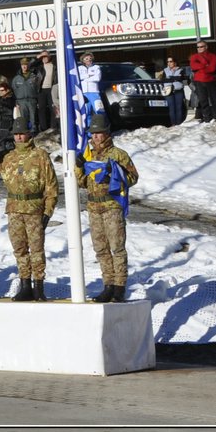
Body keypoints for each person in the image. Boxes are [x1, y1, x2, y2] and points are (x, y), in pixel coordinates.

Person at [76, 113, 139, 302]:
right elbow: (82, 183)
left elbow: (133, 177)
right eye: (93, 133)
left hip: (112, 205)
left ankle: (119, 286)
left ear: (107, 133)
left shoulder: (118, 154)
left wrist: (115, 174)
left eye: (99, 133)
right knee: (100, 248)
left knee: (117, 247)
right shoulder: (88, 155)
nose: (95, 136)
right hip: (94, 206)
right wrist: (80, 167)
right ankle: (108, 284)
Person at [0, 118, 58, 301]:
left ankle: (38, 286)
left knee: (36, 249)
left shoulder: (40, 155)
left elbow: (51, 187)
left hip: (34, 209)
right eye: (16, 134)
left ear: (29, 134)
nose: (19, 137)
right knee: (20, 249)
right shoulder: (8, 157)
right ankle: (25, 285)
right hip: (14, 209)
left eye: (22, 133)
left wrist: (47, 212)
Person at [188, 40, 216, 122]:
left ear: (206, 47)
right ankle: (207, 118)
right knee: (203, 101)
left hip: (211, 81)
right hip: (199, 81)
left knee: (215, 100)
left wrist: (200, 67)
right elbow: (193, 67)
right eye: (198, 47)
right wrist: (205, 64)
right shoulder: (194, 57)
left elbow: (212, 69)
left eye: (201, 46)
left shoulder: (212, 56)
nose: (199, 48)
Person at [12, 58, 42, 133]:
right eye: (23, 65)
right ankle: (25, 133)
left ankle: (33, 133)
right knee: (23, 119)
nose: (24, 67)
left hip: (32, 100)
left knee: (33, 118)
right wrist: (16, 102)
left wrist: (37, 100)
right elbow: (13, 90)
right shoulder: (16, 78)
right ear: (21, 66)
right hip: (21, 101)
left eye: (26, 65)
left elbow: (38, 88)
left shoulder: (34, 77)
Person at [159, 55, 188, 127]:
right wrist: (175, 78)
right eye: (168, 62)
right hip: (169, 91)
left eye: (170, 61)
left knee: (179, 108)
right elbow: (162, 80)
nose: (169, 63)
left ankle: (179, 124)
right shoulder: (165, 70)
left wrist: (171, 78)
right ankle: (173, 124)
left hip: (178, 91)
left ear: (175, 62)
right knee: (171, 108)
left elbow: (182, 78)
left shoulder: (180, 69)